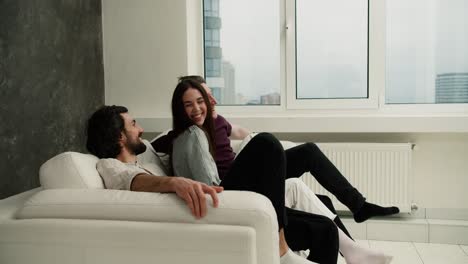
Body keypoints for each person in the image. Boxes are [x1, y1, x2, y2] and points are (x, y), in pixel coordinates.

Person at [166, 79, 392, 264]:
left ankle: (356, 219)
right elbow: (203, 176)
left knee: (307, 157)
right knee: (268, 143)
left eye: (202, 100)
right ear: (180, 109)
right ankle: (286, 246)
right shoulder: (190, 134)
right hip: (230, 189)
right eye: (189, 105)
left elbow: (244, 134)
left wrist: (259, 150)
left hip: (241, 180)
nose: (198, 107)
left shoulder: (215, 123)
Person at [86, 105, 322, 264]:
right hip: (206, 210)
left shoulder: (145, 153)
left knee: (322, 227)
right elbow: (133, 182)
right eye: (134, 125)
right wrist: (175, 182)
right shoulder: (109, 165)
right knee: (266, 144)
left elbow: (171, 150)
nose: (141, 129)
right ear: (120, 137)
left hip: (210, 197)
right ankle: (280, 250)